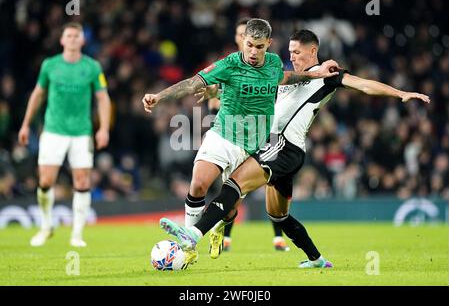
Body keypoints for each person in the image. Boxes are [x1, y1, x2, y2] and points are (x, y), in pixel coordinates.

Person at [159, 29, 431, 268]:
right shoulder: (292, 77)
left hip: (283, 145)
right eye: (289, 52)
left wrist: (400, 93)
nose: (293, 57)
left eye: (298, 52)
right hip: (278, 148)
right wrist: (215, 92)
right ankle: (317, 260)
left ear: (313, 51)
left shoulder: (327, 74)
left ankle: (193, 235)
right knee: (279, 215)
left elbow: (364, 85)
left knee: (234, 184)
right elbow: (254, 87)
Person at [143, 19, 339, 263]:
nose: (254, 52)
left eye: (259, 46)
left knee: (230, 208)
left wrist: (314, 74)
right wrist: (159, 96)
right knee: (199, 184)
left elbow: (285, 78)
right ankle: (189, 248)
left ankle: (214, 228)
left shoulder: (274, 64)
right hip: (223, 134)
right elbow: (193, 82)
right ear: (243, 42)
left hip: (252, 146)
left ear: (268, 44)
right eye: (249, 45)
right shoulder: (229, 64)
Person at [18, 22, 111, 247]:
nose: (71, 39)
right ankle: (46, 226)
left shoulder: (92, 67)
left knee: (81, 181)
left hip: (81, 133)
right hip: (53, 130)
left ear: (82, 40)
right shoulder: (50, 65)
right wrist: (25, 124)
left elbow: (103, 98)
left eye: (75, 36)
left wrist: (104, 128)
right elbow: (37, 95)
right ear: (61, 40)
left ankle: (77, 235)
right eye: (68, 35)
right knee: (46, 181)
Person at [209, 17, 290, 253]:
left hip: (267, 128)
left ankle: (278, 235)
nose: (243, 38)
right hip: (233, 131)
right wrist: (214, 94)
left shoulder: (267, 63)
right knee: (232, 184)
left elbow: (282, 81)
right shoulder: (229, 65)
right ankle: (225, 236)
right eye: (239, 34)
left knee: (274, 177)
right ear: (239, 39)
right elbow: (215, 96)